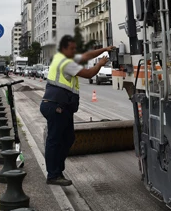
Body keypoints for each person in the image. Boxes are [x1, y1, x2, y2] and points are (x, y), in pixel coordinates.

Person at [40, 36, 116, 186]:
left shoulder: (66, 58)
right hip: (56, 106)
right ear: (64, 49)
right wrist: (100, 64)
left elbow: (86, 55)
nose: (75, 51)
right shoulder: (65, 62)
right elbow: (88, 74)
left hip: (61, 106)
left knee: (68, 139)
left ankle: (57, 171)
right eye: (72, 49)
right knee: (54, 141)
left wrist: (104, 50)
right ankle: (53, 175)